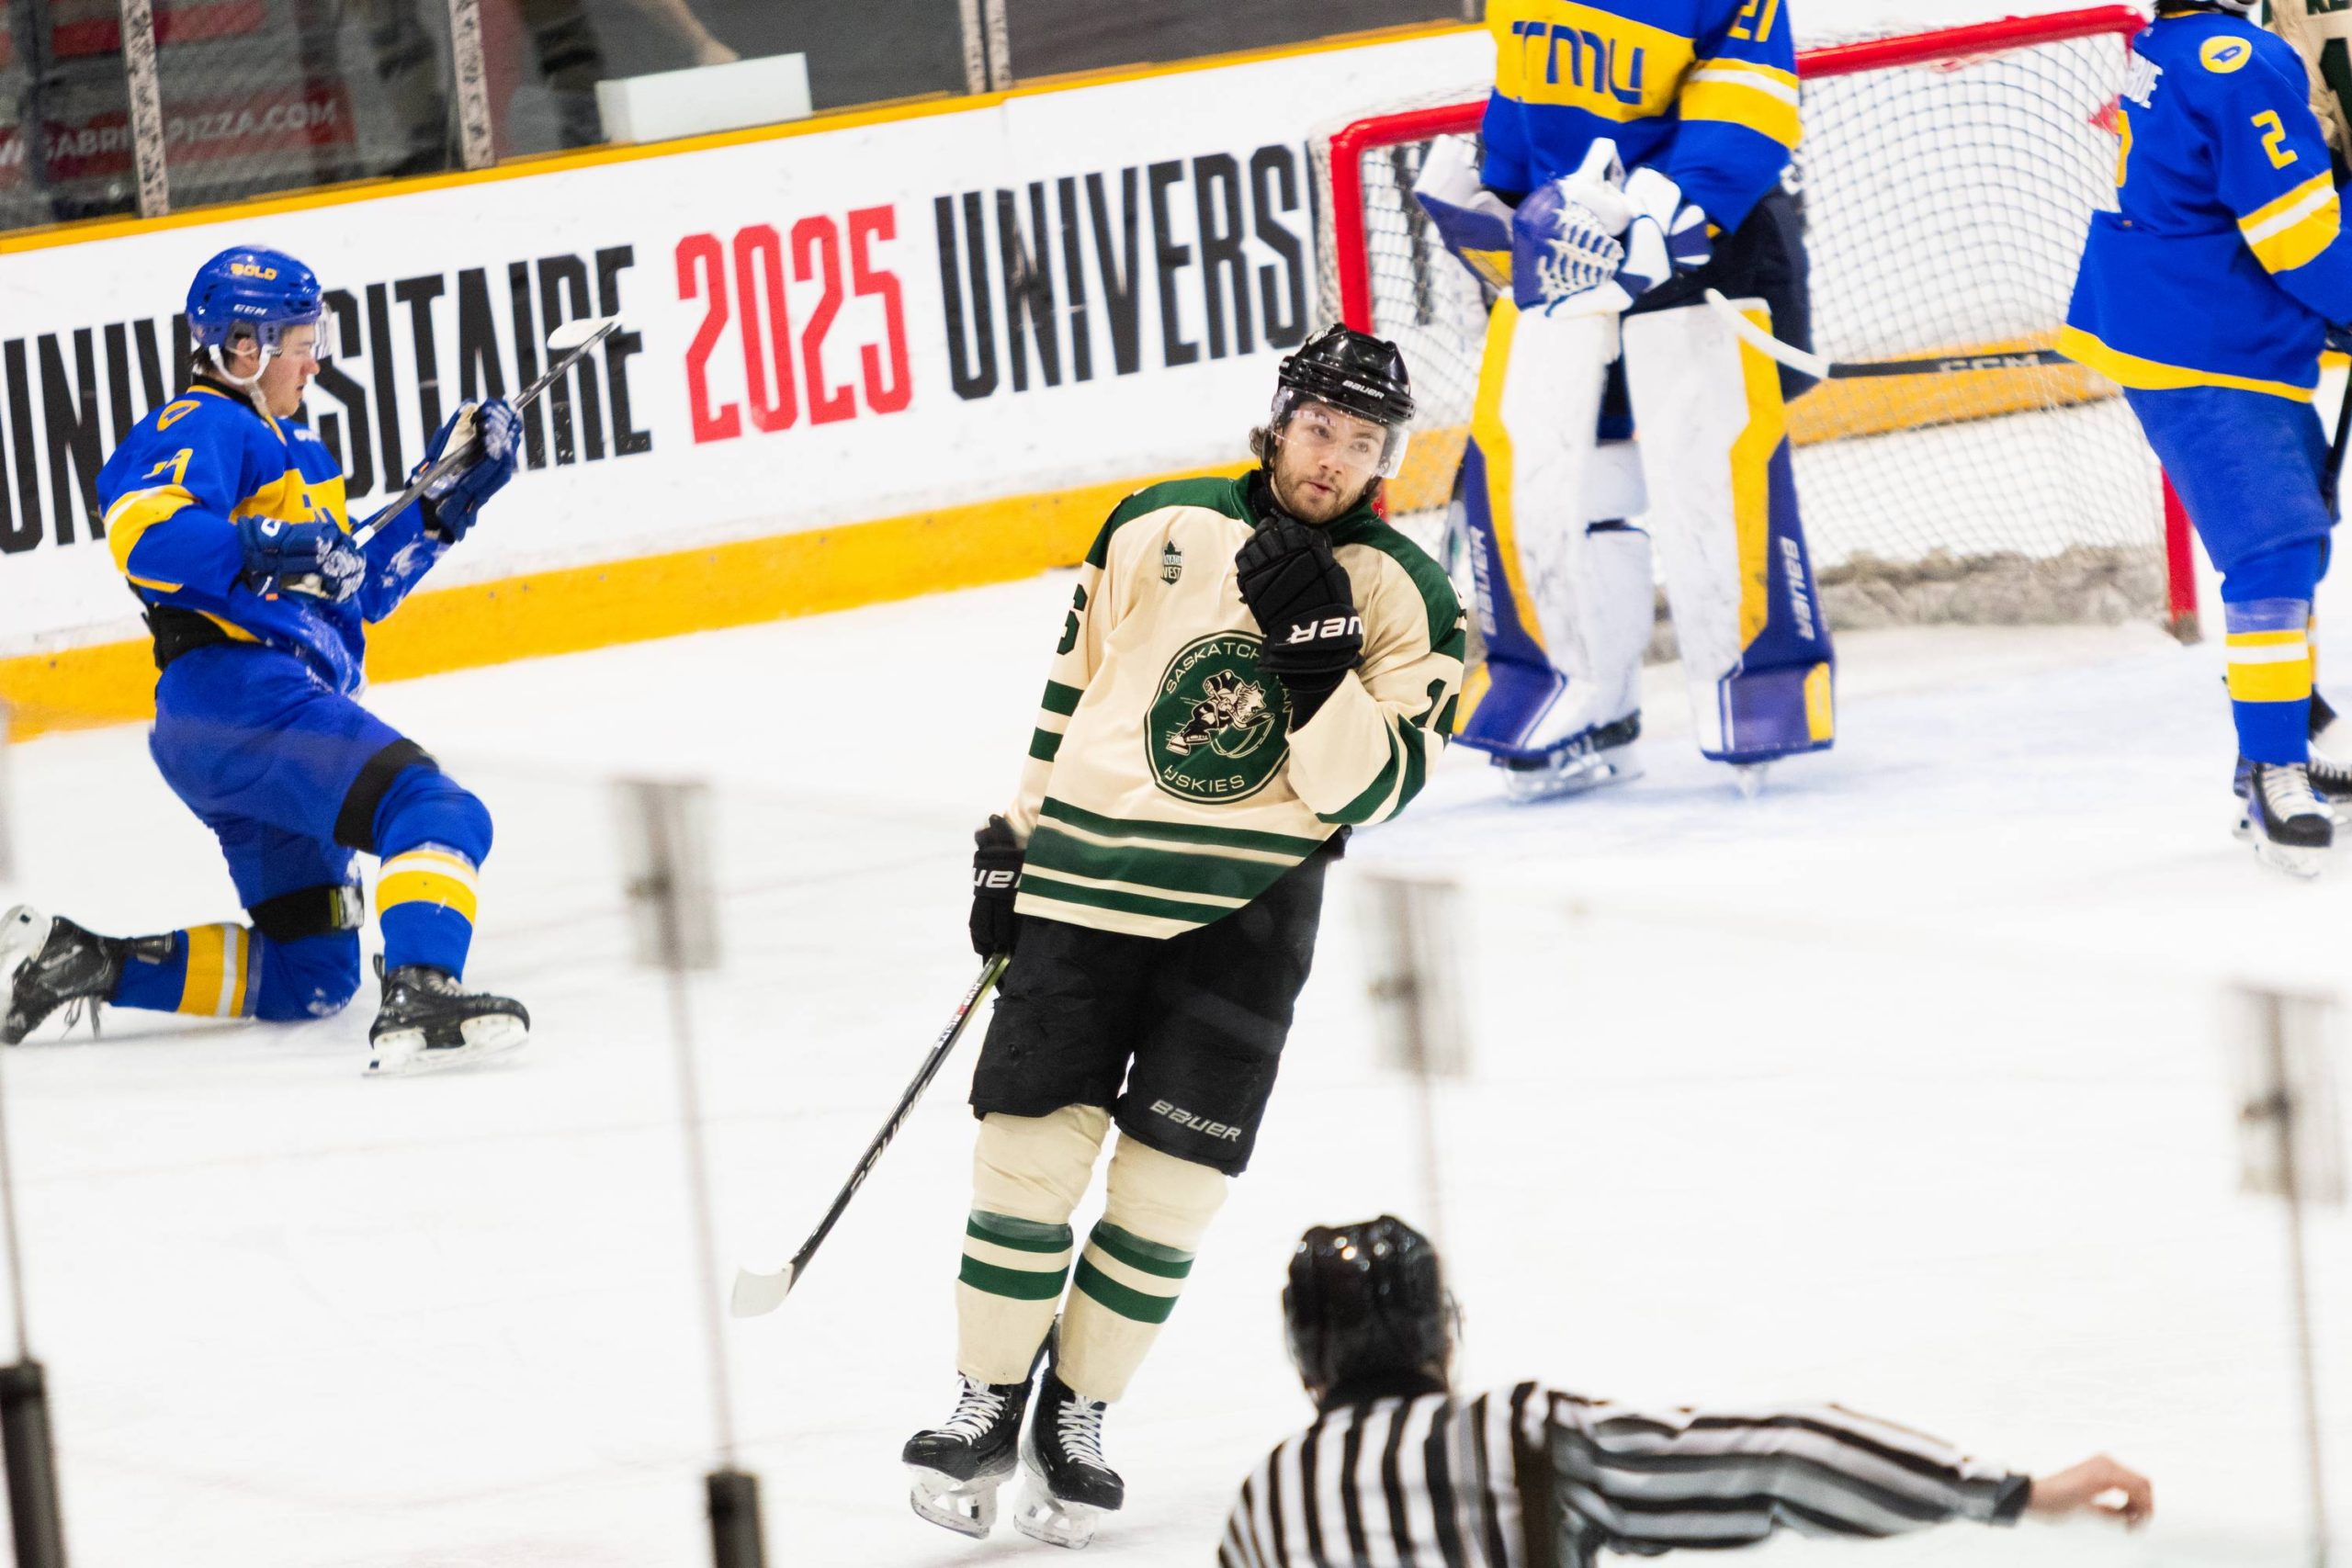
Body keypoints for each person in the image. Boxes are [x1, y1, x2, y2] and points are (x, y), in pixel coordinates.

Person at [900, 327, 1466, 1550]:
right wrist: (1014, 840)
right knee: (1025, 1163)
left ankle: (1080, 1412)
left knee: (1168, 1191)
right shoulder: (1155, 522)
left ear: (1384, 459)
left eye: (1362, 442)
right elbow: (1072, 699)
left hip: (1245, 926)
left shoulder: (1406, 597)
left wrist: (1318, 667)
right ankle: (986, 1395)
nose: (1332, 460)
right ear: (1279, 419)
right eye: (1318, 426)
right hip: (1083, 897)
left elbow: (1372, 791)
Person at [0, 244, 529, 1074]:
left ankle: (80, 961)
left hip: (238, 721)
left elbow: (349, 590)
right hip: (245, 696)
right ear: (243, 347)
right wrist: (268, 545)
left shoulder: (301, 453)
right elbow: (144, 534)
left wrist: (446, 498)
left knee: (309, 974)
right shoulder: (205, 421)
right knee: (435, 810)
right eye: (298, 338)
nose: (313, 356)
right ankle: (424, 985)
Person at [1409, 0, 1833, 802]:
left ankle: (1753, 685)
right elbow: (1525, 93)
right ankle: (1589, 697)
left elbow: (1747, 96)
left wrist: (1666, 210)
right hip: (1568, 246)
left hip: (1710, 246)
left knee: (1708, 473)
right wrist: (1498, 206)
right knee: (1553, 473)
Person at [1220, 1215, 2155, 1567]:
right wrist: (2013, 1493)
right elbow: (1785, 1452)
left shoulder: (1264, 1506)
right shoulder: (1515, 1432)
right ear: (1445, 1338)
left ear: (1305, 1359)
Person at [2062, 0, 2352, 874]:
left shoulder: (2179, 44)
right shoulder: (2235, 57)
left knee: (2296, 552)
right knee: (2273, 553)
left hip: (2209, 332)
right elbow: (2296, 233)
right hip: (2206, 344)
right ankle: (2271, 769)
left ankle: (2277, 740)